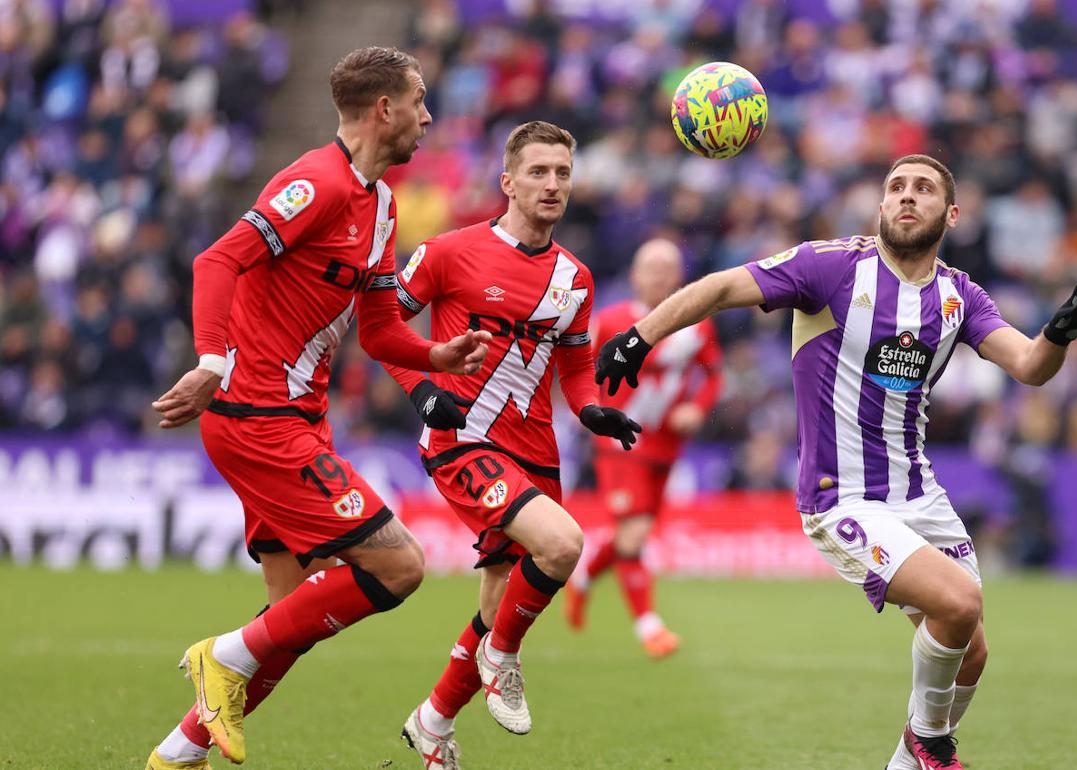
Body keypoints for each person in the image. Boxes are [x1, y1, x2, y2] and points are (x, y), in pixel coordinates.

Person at [596, 154, 1077, 770]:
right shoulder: (831, 267)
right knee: (960, 605)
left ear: (950, 214)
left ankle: (909, 757)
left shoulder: (958, 295)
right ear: (880, 206)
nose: (906, 196)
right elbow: (720, 286)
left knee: (971, 653)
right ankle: (929, 740)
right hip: (842, 496)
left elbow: (1029, 367)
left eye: (923, 189)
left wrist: (1059, 334)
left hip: (920, 496)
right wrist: (640, 335)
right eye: (895, 187)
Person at [145, 47, 491, 769]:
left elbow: (380, 329)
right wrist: (212, 362)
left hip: (295, 417)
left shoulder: (382, 204)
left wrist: (436, 356)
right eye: (420, 100)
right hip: (255, 415)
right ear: (384, 110)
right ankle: (222, 656)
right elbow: (217, 260)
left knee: (291, 619)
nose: (430, 115)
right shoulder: (316, 182)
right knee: (399, 566)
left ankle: (177, 754)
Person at [383, 120, 641, 769]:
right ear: (507, 182)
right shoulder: (449, 252)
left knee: (501, 597)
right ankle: (502, 657)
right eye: (538, 172)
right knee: (562, 545)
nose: (552, 184)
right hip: (462, 438)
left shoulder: (574, 278)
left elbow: (575, 365)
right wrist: (421, 391)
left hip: (536, 451)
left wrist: (592, 410)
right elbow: (383, 326)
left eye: (562, 173)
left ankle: (434, 722)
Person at [564, 237, 722, 659]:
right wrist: (589, 410)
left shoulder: (697, 325)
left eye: (667, 269)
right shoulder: (611, 319)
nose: (659, 276)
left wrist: (696, 408)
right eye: (651, 268)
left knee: (630, 534)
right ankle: (649, 627)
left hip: (666, 445)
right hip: (620, 442)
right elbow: (576, 368)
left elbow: (713, 375)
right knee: (633, 537)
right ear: (634, 276)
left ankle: (581, 580)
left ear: (679, 277)